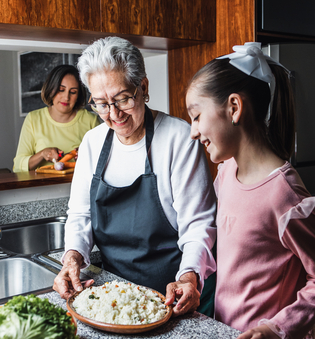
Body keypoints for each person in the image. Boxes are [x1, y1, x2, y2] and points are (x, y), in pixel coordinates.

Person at [186, 42, 315, 339]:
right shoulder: (226, 173)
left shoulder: (284, 193)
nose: (193, 130)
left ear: (234, 107)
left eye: (197, 116)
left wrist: (278, 329)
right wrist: (194, 279)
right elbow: (227, 247)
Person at [53, 36, 216, 316]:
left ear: (143, 86)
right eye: (101, 104)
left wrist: (189, 276)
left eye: (122, 99)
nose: (114, 114)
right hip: (120, 298)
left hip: (174, 294)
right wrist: (72, 258)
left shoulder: (178, 138)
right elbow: (81, 216)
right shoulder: (93, 142)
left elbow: (198, 225)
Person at [13, 64, 100, 172]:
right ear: (51, 89)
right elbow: (18, 166)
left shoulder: (91, 120)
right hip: (42, 187)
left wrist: (87, 156)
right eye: (61, 90)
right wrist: (42, 154)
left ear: (78, 95)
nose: (66, 97)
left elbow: (105, 160)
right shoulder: (33, 119)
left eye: (73, 92)